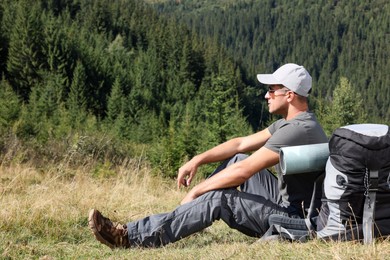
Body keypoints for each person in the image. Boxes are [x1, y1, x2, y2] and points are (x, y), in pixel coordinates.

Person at [88, 63, 328, 248]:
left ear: (289, 95)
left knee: (219, 198)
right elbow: (240, 144)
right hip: (291, 204)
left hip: (296, 219)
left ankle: (130, 237)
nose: (266, 95)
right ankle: (187, 215)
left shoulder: (298, 130)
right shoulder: (293, 123)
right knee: (237, 159)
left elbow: (244, 173)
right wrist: (197, 159)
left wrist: (197, 190)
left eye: (271, 90)